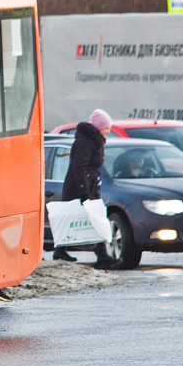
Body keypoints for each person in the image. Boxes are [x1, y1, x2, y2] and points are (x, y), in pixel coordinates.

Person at [56, 109, 118, 268]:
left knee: (96, 218)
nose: (109, 131)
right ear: (98, 128)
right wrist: (83, 191)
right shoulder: (86, 142)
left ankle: (102, 254)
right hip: (79, 186)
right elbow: (79, 167)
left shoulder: (96, 141)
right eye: (106, 128)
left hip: (90, 184)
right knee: (74, 217)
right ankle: (60, 250)